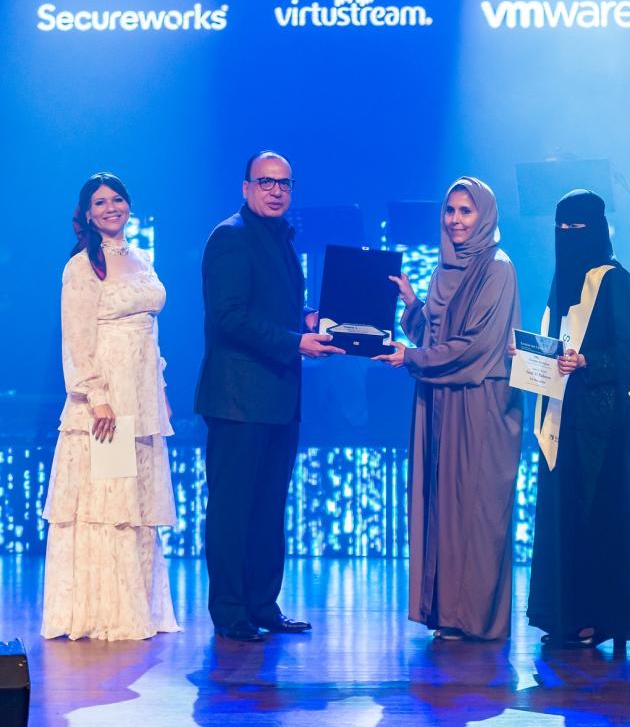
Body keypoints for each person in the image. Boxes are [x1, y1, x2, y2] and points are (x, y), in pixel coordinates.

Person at [194, 151, 343, 642]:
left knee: (268, 508)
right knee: (233, 509)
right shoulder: (230, 236)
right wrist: (295, 341)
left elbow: (268, 307)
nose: (276, 191)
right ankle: (230, 610)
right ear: (246, 187)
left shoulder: (280, 238)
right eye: (266, 182)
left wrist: (304, 319)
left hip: (278, 397)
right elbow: (229, 317)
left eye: (284, 184)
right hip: (238, 400)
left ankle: (262, 603)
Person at [375, 176, 522, 641]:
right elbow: (436, 337)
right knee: (442, 509)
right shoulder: (443, 270)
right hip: (440, 399)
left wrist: (411, 358)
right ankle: (446, 614)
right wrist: (412, 303)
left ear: (485, 215)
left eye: (466, 211)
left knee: (476, 509)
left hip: (480, 403)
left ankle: (475, 617)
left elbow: (475, 347)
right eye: (450, 210)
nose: (456, 220)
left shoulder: (498, 268)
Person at [42, 172, 179, 640]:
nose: (110, 208)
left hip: (143, 395)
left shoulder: (142, 259)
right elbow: (77, 340)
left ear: (129, 205)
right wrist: (97, 399)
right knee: (110, 502)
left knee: (136, 502)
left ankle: (139, 606)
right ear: (86, 213)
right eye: (100, 202)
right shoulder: (82, 266)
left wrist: (161, 390)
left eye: (117, 199)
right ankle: (107, 612)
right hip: (108, 401)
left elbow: (150, 334)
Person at [525, 189, 630, 648]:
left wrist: (587, 361)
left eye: (577, 227)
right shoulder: (560, 281)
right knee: (562, 516)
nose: (568, 236)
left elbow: (626, 353)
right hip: (560, 414)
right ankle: (563, 615)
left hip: (602, 423)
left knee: (596, 515)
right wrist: (528, 354)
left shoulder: (616, 280)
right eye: (561, 228)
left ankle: (598, 617)